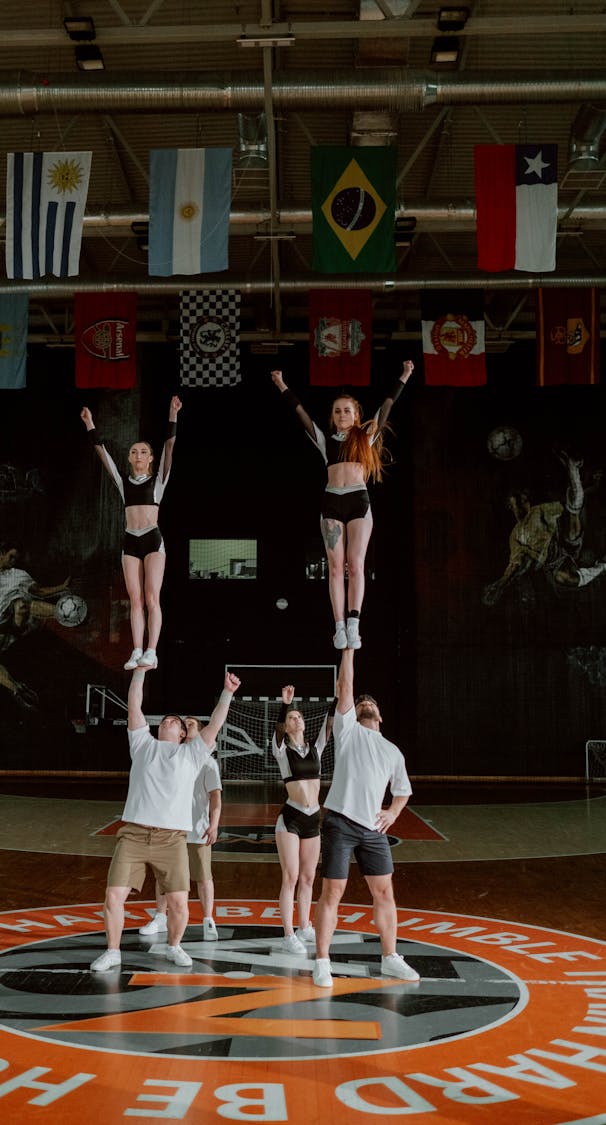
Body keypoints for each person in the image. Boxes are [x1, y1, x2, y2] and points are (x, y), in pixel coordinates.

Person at [90, 669, 241, 972]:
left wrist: (227, 693)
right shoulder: (142, 745)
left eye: (176, 721)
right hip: (133, 835)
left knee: (179, 903)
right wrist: (140, 673)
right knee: (113, 896)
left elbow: (215, 724)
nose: (170, 720)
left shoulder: (193, 754)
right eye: (167, 719)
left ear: (184, 734)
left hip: (172, 839)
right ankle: (113, 951)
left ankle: (174, 946)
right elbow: (135, 705)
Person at [271, 362, 413, 650]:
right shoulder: (326, 441)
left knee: (356, 564)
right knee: (336, 568)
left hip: (358, 501)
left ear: (356, 414)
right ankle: (338, 626)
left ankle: (354, 622)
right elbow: (301, 415)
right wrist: (282, 385)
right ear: (333, 417)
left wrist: (404, 376)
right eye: (337, 411)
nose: (342, 414)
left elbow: (386, 407)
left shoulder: (366, 437)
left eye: (347, 410)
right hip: (332, 502)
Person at [313, 647, 419, 987]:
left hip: (373, 829)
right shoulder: (348, 732)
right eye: (361, 702)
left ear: (380, 716)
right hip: (340, 822)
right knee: (333, 892)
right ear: (354, 713)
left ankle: (390, 957)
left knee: (384, 893)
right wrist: (349, 649)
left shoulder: (392, 751)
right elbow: (346, 685)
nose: (366, 703)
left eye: (371, 703)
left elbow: (403, 791)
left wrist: (393, 811)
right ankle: (322, 961)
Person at [80, 395, 182, 671]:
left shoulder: (158, 480)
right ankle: (137, 649)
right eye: (134, 451)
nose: (139, 455)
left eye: (143, 452)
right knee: (135, 599)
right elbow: (102, 453)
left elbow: (169, 445)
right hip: (130, 541)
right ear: (129, 457)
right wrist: (90, 423)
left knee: (151, 597)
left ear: (150, 459)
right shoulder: (123, 482)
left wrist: (173, 414)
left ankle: (152, 650)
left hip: (152, 539)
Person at [482, 450, 606, 606]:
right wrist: (500, 584)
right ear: (510, 506)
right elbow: (514, 565)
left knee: (573, 526)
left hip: (565, 545)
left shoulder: (539, 511)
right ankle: (602, 566)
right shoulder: (515, 536)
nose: (523, 506)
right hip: (554, 563)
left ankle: (573, 470)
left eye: (525, 501)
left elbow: (570, 505)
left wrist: (582, 484)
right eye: (518, 503)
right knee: (563, 578)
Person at [0, 543, 71, 709]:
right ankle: (17, 689)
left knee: (22, 605)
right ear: (1, 553)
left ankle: (69, 614)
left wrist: (61, 587)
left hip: (24, 613)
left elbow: (38, 591)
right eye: (11, 556)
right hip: (2, 623)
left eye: (16, 558)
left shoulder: (19, 574)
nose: (13, 560)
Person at [140, 716, 223, 942]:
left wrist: (214, 824)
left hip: (197, 829)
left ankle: (208, 919)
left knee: (203, 877)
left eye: (192, 723)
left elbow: (215, 798)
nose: (187, 725)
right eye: (184, 724)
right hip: (170, 828)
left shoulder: (208, 763)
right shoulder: (169, 757)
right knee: (164, 876)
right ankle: (160, 917)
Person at [272, 685, 334, 955]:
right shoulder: (281, 751)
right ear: (286, 727)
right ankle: (288, 935)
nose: (296, 719)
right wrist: (284, 706)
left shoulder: (316, 749)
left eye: (299, 717)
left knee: (309, 877)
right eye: (291, 718)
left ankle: (304, 925)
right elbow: (275, 732)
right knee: (291, 876)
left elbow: (329, 727)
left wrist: (337, 700)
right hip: (291, 818)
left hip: (313, 818)